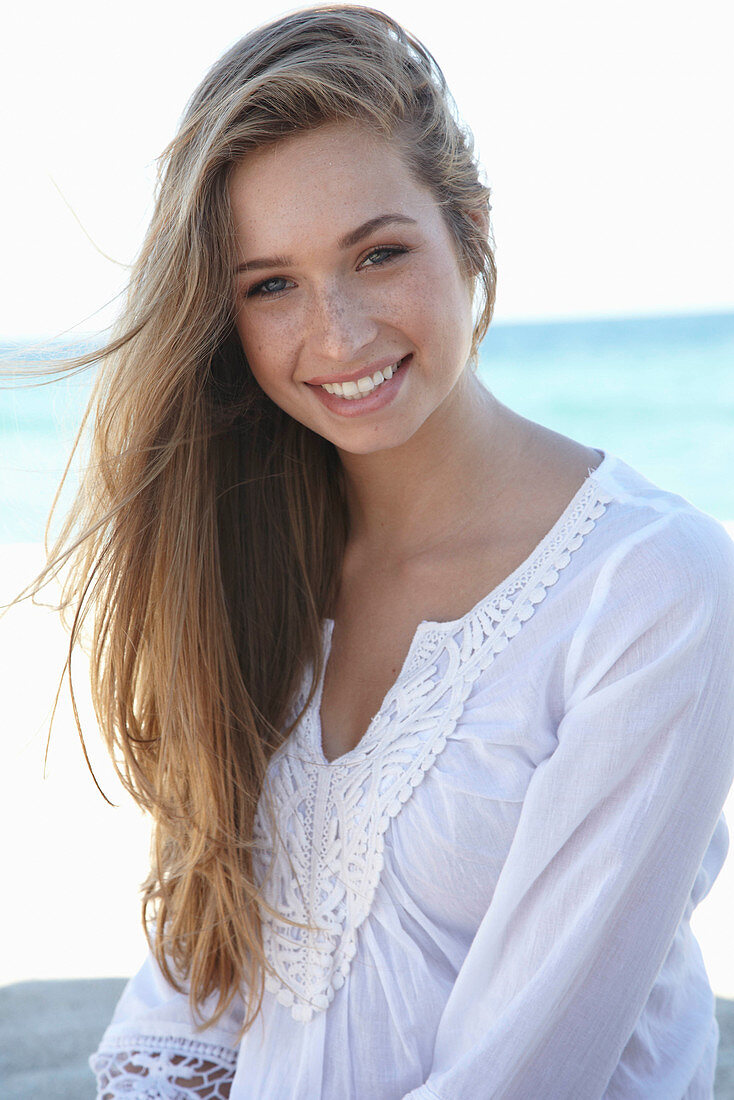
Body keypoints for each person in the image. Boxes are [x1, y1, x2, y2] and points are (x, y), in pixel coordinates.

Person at [30, 5, 730, 1098]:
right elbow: (187, 1007)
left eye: (378, 252)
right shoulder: (246, 566)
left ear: (470, 231)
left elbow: (519, 1077)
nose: (339, 334)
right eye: (270, 285)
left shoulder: (650, 589)